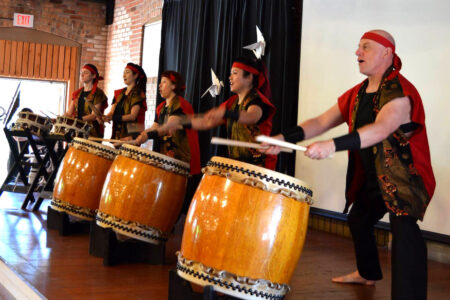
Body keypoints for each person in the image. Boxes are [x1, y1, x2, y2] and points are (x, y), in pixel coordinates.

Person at [264, 30, 435, 299]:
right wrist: (284, 138)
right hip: (374, 176)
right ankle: (367, 274)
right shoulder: (357, 93)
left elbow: (381, 129)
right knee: (359, 218)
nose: (358, 53)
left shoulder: (401, 93)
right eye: (358, 47)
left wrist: (331, 145)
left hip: (404, 178)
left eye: (365, 47)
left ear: (387, 53)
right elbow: (321, 122)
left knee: (404, 229)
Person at [164, 56, 277, 169]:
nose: (230, 77)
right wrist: (181, 121)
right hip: (239, 167)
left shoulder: (257, 100)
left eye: (235, 73)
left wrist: (225, 113)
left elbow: (252, 117)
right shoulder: (232, 103)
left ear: (249, 77)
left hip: (260, 168)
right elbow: (206, 122)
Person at [135, 71, 201, 175]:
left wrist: (147, 135)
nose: (160, 85)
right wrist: (138, 136)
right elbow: (154, 127)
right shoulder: (161, 107)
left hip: (182, 161)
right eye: (160, 82)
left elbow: (167, 127)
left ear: (174, 86)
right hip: (168, 159)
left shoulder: (181, 105)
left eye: (164, 82)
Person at [104, 63, 147, 140]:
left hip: (131, 136)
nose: (124, 75)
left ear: (135, 75)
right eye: (123, 73)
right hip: (118, 133)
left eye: (127, 72)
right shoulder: (119, 93)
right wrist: (105, 117)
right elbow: (111, 112)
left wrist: (112, 118)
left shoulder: (138, 94)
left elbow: (132, 116)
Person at [65, 64, 108, 137]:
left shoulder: (98, 93)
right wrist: (60, 119)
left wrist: (77, 120)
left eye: (86, 72)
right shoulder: (77, 93)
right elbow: (69, 113)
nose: (82, 75)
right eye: (81, 72)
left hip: (91, 131)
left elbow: (94, 115)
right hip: (77, 129)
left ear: (93, 76)